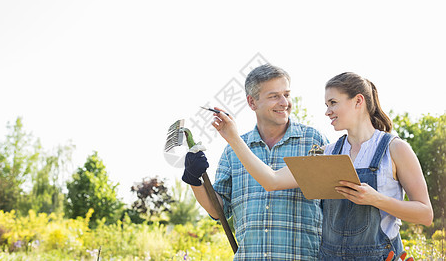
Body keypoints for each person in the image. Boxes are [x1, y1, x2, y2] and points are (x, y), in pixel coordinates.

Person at [210, 72, 434, 260]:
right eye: (326, 105)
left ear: (358, 101)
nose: (327, 112)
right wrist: (234, 139)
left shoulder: (394, 149)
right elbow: (272, 180)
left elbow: (425, 214)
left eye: (333, 103)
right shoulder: (327, 153)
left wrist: (375, 199)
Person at [182, 64, 328, 260]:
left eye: (286, 94)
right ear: (252, 102)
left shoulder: (313, 142)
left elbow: (334, 204)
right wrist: (194, 180)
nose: (284, 102)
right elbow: (218, 211)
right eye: (274, 96)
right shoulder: (232, 152)